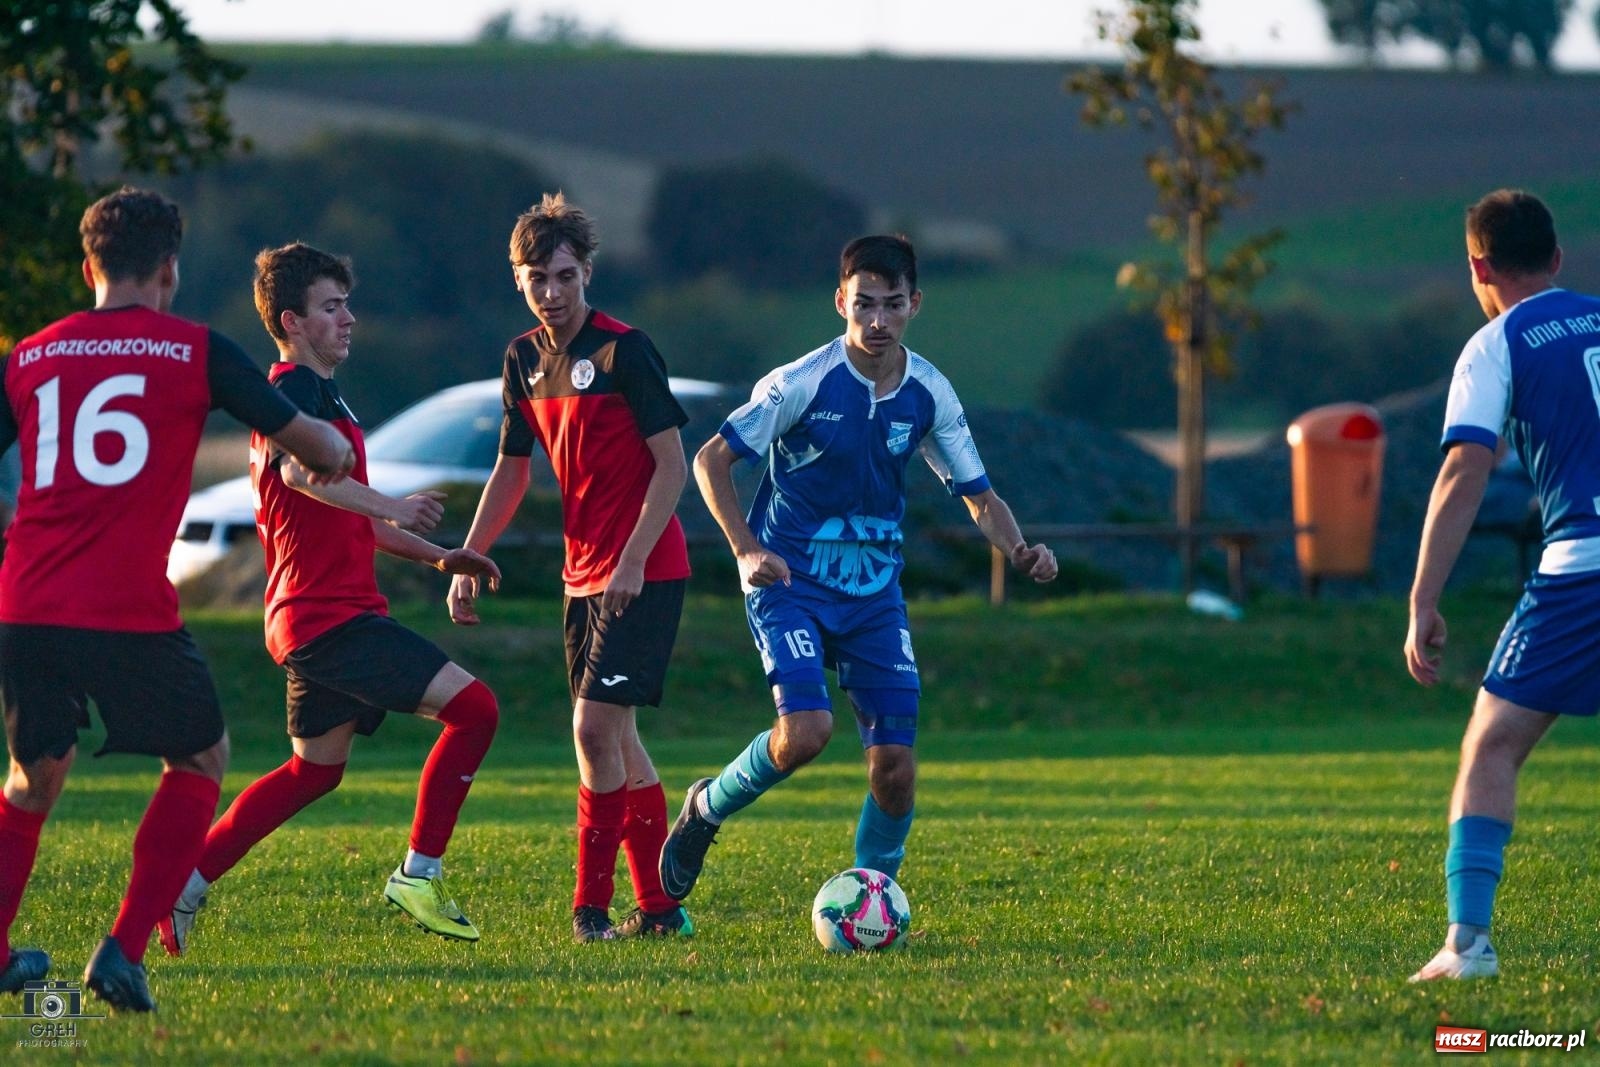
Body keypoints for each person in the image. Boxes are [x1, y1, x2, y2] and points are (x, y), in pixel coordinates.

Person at [0, 188, 353, 1012]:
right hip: (124, 605)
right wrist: (333, 444)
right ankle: (122, 951)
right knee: (200, 760)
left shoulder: (28, 356)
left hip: (26, 599)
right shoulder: (196, 350)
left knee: (31, 776)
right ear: (170, 268)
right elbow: (311, 440)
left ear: (87, 268)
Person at [659, 234, 1058, 907]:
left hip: (874, 593)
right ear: (840, 300)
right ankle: (705, 808)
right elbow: (710, 460)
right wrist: (747, 547)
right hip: (789, 581)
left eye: (892, 305)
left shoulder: (929, 392)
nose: (877, 320)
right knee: (806, 734)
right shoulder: (800, 383)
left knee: (895, 769)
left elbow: (979, 496)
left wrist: (1018, 548)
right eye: (864, 304)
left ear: (914, 305)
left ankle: (874, 900)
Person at [158, 243, 503, 955]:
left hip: (313, 614)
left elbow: (352, 516)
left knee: (313, 771)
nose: (348, 318)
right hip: (328, 617)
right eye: (331, 306)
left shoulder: (323, 396)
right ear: (292, 320)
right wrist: (397, 506)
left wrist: (442, 555)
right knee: (476, 710)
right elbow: (301, 477)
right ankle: (419, 872)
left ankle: (182, 883)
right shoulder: (294, 390)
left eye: (346, 303)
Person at [448, 193, 693, 943]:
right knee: (616, 741)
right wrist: (469, 553)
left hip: (643, 571)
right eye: (536, 279)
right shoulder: (522, 359)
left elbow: (672, 466)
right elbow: (510, 470)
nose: (551, 293)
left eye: (563, 276)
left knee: (592, 728)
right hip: (580, 577)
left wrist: (631, 559)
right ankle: (660, 909)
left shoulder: (626, 351)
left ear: (587, 272)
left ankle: (590, 908)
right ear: (517, 280)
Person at [1405, 190, 1600, 982]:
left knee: (1491, 743)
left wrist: (1423, 599)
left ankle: (1468, 945)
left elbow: (1464, 468)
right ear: (1557, 258)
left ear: (1478, 266)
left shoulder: (1497, 343)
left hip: (1581, 568)